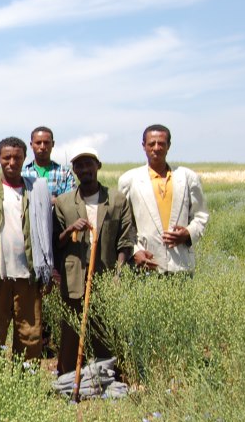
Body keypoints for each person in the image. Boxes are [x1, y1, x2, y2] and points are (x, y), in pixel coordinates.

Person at [0, 136, 54, 360]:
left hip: (29, 274)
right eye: (6, 157)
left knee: (30, 335)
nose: (12, 162)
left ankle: (24, 382)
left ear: (24, 158)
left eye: (17, 157)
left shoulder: (37, 190)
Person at [54, 147, 136, 373]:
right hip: (73, 278)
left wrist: (117, 274)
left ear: (98, 166)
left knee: (104, 331)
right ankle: (68, 378)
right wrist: (70, 228)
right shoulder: (64, 202)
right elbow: (56, 242)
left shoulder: (117, 200)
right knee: (71, 331)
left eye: (89, 164)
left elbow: (126, 240)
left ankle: (106, 376)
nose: (84, 169)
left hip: (105, 276)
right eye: (79, 165)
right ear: (74, 171)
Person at [118, 124, 209, 274]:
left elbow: (201, 215)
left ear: (169, 146)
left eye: (161, 143)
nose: (156, 148)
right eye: (151, 143)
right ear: (143, 146)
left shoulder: (187, 177)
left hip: (181, 265)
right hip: (146, 265)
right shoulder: (129, 180)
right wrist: (135, 252)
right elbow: (123, 224)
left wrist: (188, 233)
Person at [21, 126, 75, 204]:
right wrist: (54, 200)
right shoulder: (23, 173)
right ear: (31, 145)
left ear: (52, 144)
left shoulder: (64, 172)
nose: (42, 147)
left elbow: (71, 199)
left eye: (46, 142)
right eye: (38, 143)